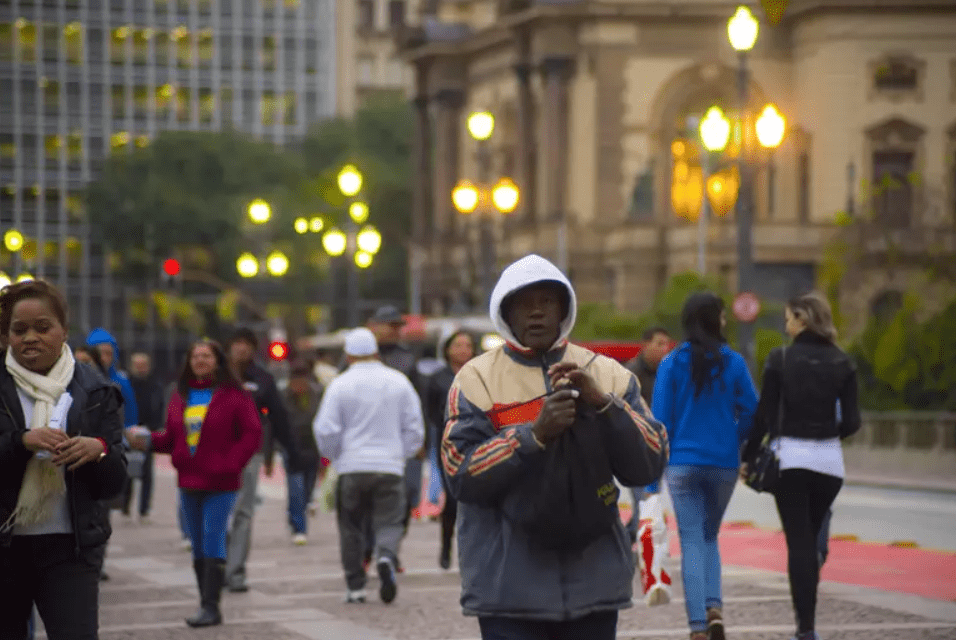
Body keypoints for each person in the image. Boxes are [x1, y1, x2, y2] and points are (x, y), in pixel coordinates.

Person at [442, 254, 667, 639]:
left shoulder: (608, 373)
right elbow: (460, 473)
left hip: (593, 585)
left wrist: (604, 406)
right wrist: (533, 436)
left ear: (564, 308)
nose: (536, 313)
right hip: (508, 590)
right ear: (505, 311)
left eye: (546, 301)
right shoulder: (475, 379)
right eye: (524, 303)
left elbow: (650, 461)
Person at [0, 280, 128, 640]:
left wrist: (97, 450)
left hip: (71, 550)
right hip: (5, 549)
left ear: (64, 331)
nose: (30, 338)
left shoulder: (97, 390)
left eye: (43, 327)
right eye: (19, 329)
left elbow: (115, 482)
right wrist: (20, 441)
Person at [741, 293, 860, 640]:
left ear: (803, 319)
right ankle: (812, 581)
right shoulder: (843, 362)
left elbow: (763, 415)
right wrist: (825, 433)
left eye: (790, 317)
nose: (786, 324)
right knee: (812, 536)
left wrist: (748, 456)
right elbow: (852, 423)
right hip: (829, 463)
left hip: (790, 460)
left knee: (799, 543)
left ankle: (805, 628)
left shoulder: (780, 358)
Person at [129, 339, 262, 627]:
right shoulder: (180, 396)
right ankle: (205, 603)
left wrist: (232, 463)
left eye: (206, 356)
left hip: (222, 482)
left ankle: (211, 606)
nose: (200, 360)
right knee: (198, 544)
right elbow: (173, 439)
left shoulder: (235, 395)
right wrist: (147, 440)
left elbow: (252, 433)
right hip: (188, 480)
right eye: (195, 356)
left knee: (213, 537)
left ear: (217, 361)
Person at [652, 292, 759, 640]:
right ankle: (714, 605)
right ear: (714, 319)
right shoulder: (734, 362)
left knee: (692, 541)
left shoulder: (671, 363)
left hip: (682, 464)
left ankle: (698, 624)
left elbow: (659, 423)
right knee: (710, 536)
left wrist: (653, 479)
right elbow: (754, 411)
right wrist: (735, 437)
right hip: (723, 463)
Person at [313, 328, 424, 605]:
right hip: (389, 466)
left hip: (352, 466)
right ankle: (386, 555)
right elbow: (414, 427)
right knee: (390, 520)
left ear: (348, 355)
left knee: (351, 526)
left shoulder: (339, 384)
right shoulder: (398, 381)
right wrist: (402, 453)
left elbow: (325, 429)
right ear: (376, 351)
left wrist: (336, 455)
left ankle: (356, 586)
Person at [224, 327, 298, 593]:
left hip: (248, 455)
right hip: (214, 453)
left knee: (243, 513)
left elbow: (277, 416)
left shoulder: (263, 379)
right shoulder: (213, 375)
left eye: (247, 344)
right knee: (217, 513)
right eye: (237, 343)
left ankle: (235, 572)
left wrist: (288, 449)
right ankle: (215, 565)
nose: (241, 349)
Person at [366, 305, 424, 533]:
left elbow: (419, 403)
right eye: (390, 326)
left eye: (398, 327)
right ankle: (378, 545)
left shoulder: (408, 359)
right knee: (374, 497)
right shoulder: (360, 357)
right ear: (374, 326)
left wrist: (421, 439)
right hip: (369, 437)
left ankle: (392, 544)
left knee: (409, 492)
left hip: (402, 437)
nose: (395, 331)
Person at [423, 330, 476, 569]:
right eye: (458, 345)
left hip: (477, 442)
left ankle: (471, 551)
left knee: (474, 500)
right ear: (447, 350)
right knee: (453, 499)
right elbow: (431, 412)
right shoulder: (438, 378)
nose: (463, 350)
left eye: (467, 345)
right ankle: (446, 548)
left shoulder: (480, 375)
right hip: (448, 444)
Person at [623, 326, 672, 543]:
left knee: (647, 503)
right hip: (634, 447)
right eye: (659, 343)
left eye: (667, 344)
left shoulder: (667, 372)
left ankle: (627, 541)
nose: (665, 349)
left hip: (658, 447)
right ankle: (632, 545)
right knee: (645, 501)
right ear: (646, 344)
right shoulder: (630, 374)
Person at [282, 359, 322, 545]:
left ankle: (295, 512)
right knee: (295, 487)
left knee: (307, 489)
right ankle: (299, 527)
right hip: (291, 449)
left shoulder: (318, 394)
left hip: (312, 448)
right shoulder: (283, 396)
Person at [122, 352, 166, 523]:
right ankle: (126, 505)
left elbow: (160, 405)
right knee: (129, 471)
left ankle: (144, 509)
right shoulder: (127, 385)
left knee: (147, 472)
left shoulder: (155, 385)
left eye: (143, 364)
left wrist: (157, 427)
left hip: (149, 431)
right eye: (137, 364)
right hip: (129, 431)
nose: (140, 368)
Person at [86, 328, 139, 429]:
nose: (104, 358)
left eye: (108, 354)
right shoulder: (79, 380)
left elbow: (131, 418)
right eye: (100, 353)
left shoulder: (121, 382)